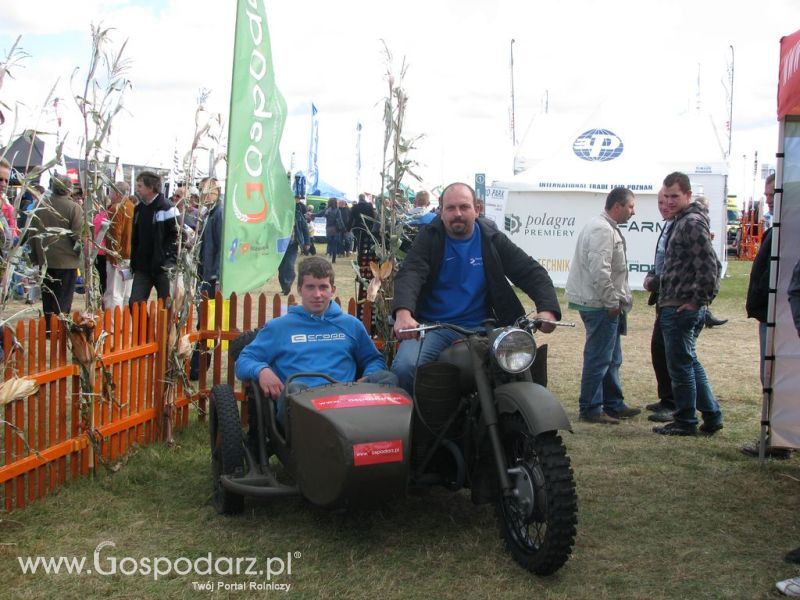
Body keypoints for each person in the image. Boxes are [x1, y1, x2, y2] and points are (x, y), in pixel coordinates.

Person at [391, 182, 561, 395]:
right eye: (450, 208)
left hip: (486, 327)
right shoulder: (430, 238)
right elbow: (411, 273)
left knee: (520, 363)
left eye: (464, 207)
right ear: (441, 212)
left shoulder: (491, 238)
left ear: (477, 210)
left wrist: (548, 310)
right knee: (405, 367)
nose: (458, 214)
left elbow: (530, 272)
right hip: (435, 327)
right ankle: (417, 426)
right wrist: (403, 313)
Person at [235, 256, 397, 427]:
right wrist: (262, 370)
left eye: (323, 287)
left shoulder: (351, 325)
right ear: (299, 289)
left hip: (346, 403)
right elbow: (244, 360)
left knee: (387, 378)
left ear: (332, 289)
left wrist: (368, 376)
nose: (317, 294)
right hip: (301, 406)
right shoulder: (279, 327)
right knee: (295, 389)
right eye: (310, 287)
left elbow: (373, 359)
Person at [651, 172, 723, 436]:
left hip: (681, 307)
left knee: (680, 367)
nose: (668, 202)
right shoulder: (683, 220)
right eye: (666, 196)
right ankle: (712, 415)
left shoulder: (691, 222)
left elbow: (709, 266)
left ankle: (686, 421)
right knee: (688, 362)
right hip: (675, 304)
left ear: (688, 195)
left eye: (674, 197)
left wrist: (697, 302)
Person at [566, 187, 640, 424]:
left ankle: (613, 404)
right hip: (599, 304)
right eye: (630, 206)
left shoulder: (605, 227)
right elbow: (600, 270)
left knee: (612, 357)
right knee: (599, 357)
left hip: (602, 303)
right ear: (617, 206)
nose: (633, 212)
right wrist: (610, 302)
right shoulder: (601, 229)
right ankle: (590, 408)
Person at [740, 174, 791, 457]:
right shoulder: (779, 226)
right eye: (767, 194)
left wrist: (760, 294)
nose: (769, 198)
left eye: (773, 193)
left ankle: (779, 440)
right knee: (769, 378)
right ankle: (779, 437)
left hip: (778, 315)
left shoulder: (790, 228)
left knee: (773, 377)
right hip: (768, 313)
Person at [29, 174, 82, 331]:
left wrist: (35, 257)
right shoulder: (74, 208)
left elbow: (32, 233)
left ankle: (48, 329)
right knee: (63, 299)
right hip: (67, 262)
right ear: (68, 188)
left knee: (48, 297)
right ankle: (60, 329)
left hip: (45, 260)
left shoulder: (41, 205)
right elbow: (77, 236)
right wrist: (81, 255)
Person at [643, 187, 677, 423]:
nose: (665, 205)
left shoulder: (685, 225)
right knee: (659, 351)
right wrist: (653, 273)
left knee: (674, 356)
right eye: (661, 201)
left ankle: (675, 405)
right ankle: (667, 399)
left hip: (676, 301)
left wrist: (655, 280)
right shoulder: (668, 225)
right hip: (664, 298)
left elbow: (683, 270)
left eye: (671, 199)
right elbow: (664, 261)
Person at [190, 177, 224, 380]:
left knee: (207, 322)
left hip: (211, 276)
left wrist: (217, 276)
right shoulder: (209, 213)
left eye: (204, 190)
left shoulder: (219, 213)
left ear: (215, 190)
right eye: (200, 189)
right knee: (205, 320)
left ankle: (197, 367)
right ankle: (197, 366)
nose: (201, 194)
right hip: (205, 273)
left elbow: (221, 246)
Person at [129, 171, 179, 306]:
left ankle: (165, 328)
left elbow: (178, 236)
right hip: (143, 267)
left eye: (140, 186)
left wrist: (167, 259)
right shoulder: (138, 209)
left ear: (150, 188)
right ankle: (145, 327)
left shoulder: (167, 208)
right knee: (135, 303)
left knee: (166, 305)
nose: (137, 189)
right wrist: (134, 261)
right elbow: (135, 237)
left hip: (163, 268)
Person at [693, 195, 728, 328]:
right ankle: (705, 312)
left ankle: (706, 312)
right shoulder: (695, 220)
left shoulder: (699, 219)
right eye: (705, 208)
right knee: (715, 269)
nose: (706, 211)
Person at [104, 181, 136, 309]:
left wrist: (113, 256)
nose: (109, 195)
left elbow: (114, 234)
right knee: (126, 293)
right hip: (130, 256)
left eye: (111, 192)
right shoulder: (133, 207)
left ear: (117, 193)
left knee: (114, 292)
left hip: (118, 257)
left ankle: (112, 326)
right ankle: (125, 324)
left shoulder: (116, 208)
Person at [277, 196, 311, 295]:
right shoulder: (278, 214)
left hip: (292, 244)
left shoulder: (298, 214)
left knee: (289, 265)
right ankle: (284, 286)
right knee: (281, 266)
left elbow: (305, 229)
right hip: (280, 244)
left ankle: (287, 285)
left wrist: (307, 243)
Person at [324, 197, 343, 263]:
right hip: (335, 229)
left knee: (329, 243)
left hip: (328, 228)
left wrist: (312, 214)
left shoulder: (327, 210)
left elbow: (320, 214)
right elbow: (340, 220)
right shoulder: (337, 210)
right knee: (335, 244)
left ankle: (328, 254)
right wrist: (342, 228)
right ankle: (333, 259)